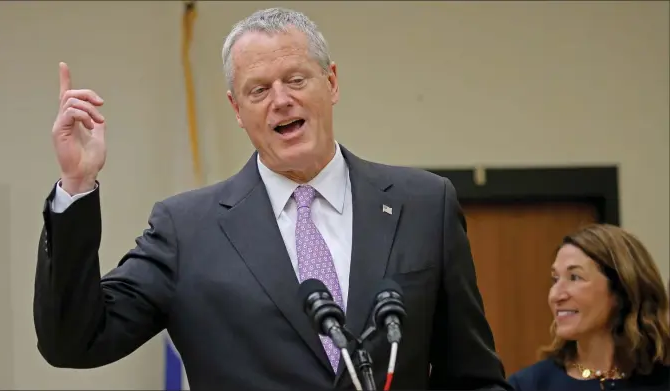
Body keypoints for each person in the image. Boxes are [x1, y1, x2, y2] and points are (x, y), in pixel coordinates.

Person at [33, 7, 511, 390]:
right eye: (258, 90)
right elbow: (74, 342)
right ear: (237, 110)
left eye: (296, 79)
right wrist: (76, 185)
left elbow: (472, 377)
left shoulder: (424, 204)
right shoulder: (187, 230)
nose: (280, 100)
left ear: (333, 82)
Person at [508, 224, 670, 391]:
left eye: (575, 277)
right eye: (555, 279)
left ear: (620, 290)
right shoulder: (528, 385)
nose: (556, 295)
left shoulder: (663, 381)